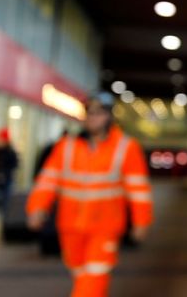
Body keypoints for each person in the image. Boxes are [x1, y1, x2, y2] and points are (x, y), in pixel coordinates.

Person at [27, 92, 153, 297]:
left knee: (95, 274)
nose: (93, 117)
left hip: (105, 226)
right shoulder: (66, 146)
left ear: (109, 117)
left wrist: (141, 222)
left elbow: (138, 190)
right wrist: (37, 208)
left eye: (99, 113)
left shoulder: (126, 148)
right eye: (89, 112)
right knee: (81, 275)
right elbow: (47, 181)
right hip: (70, 226)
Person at [0, 128, 19, 220]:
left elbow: (14, 166)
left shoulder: (11, 153)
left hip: (7, 183)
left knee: (6, 207)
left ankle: (5, 225)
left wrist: (4, 174)